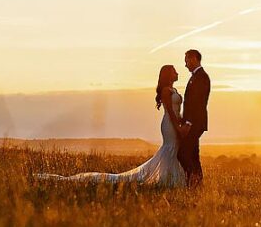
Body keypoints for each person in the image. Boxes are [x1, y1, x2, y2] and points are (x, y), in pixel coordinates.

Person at [34, 65, 188, 188]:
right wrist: (178, 127)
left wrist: (181, 123)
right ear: (168, 74)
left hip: (175, 121)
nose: (177, 73)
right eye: (175, 71)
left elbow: (177, 111)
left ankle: (171, 178)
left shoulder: (173, 89)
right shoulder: (166, 91)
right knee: (169, 149)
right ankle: (169, 180)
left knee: (172, 150)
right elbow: (170, 112)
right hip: (169, 124)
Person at [178, 49, 210, 187]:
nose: (185, 65)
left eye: (186, 61)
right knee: (193, 154)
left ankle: (192, 180)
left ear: (194, 59)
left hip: (195, 123)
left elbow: (198, 102)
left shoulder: (201, 77)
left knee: (183, 154)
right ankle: (197, 183)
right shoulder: (195, 77)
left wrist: (189, 123)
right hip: (194, 122)